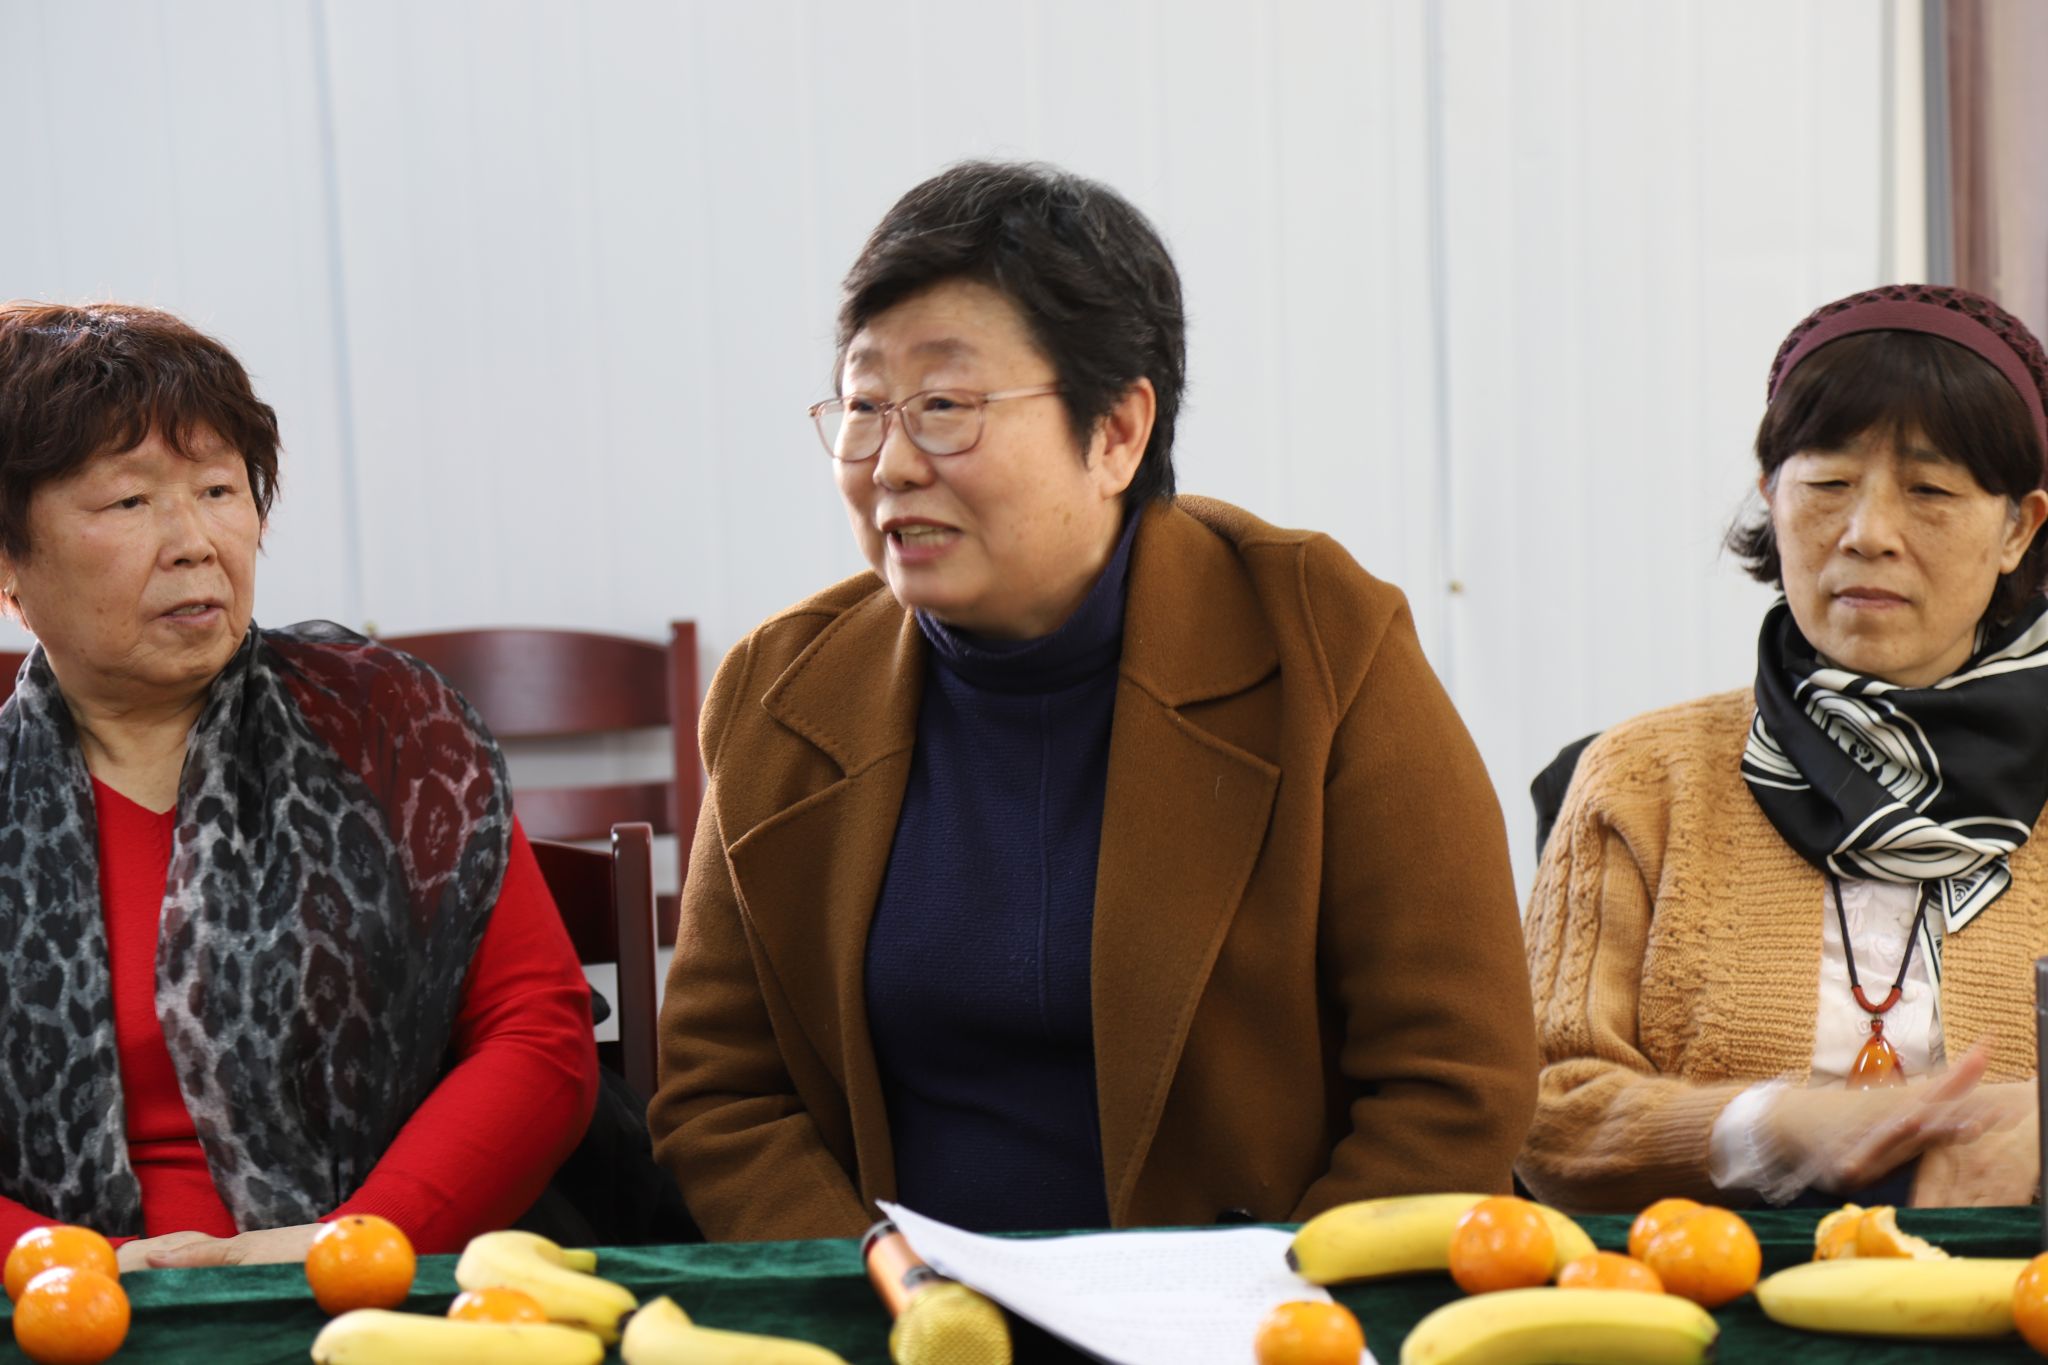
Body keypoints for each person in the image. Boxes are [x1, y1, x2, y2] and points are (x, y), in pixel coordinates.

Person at [648, 161, 1538, 1241]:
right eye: (865, 407)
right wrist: (883, 1293)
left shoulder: (1319, 640)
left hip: (1257, 1308)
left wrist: (1268, 1307)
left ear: (1116, 431)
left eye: (943, 407)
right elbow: (723, 1092)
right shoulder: (782, 688)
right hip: (897, 1311)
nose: (890, 464)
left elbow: (1455, 1079)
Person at [0, 302, 599, 1268]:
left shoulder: (385, 725)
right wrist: (56, 1261)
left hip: (380, 1281)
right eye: (128, 502)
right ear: (9, 560)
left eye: (219, 489)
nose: (195, 541)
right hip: (61, 1303)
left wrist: (342, 1245)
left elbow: (536, 1031)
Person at [1521, 284, 2048, 1213]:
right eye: (1828, 485)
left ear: (2019, 527)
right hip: (1703, 1282)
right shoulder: (1640, 780)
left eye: (1929, 491)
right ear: (1771, 494)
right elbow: (1544, 1114)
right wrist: (1776, 1126)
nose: (1868, 533)